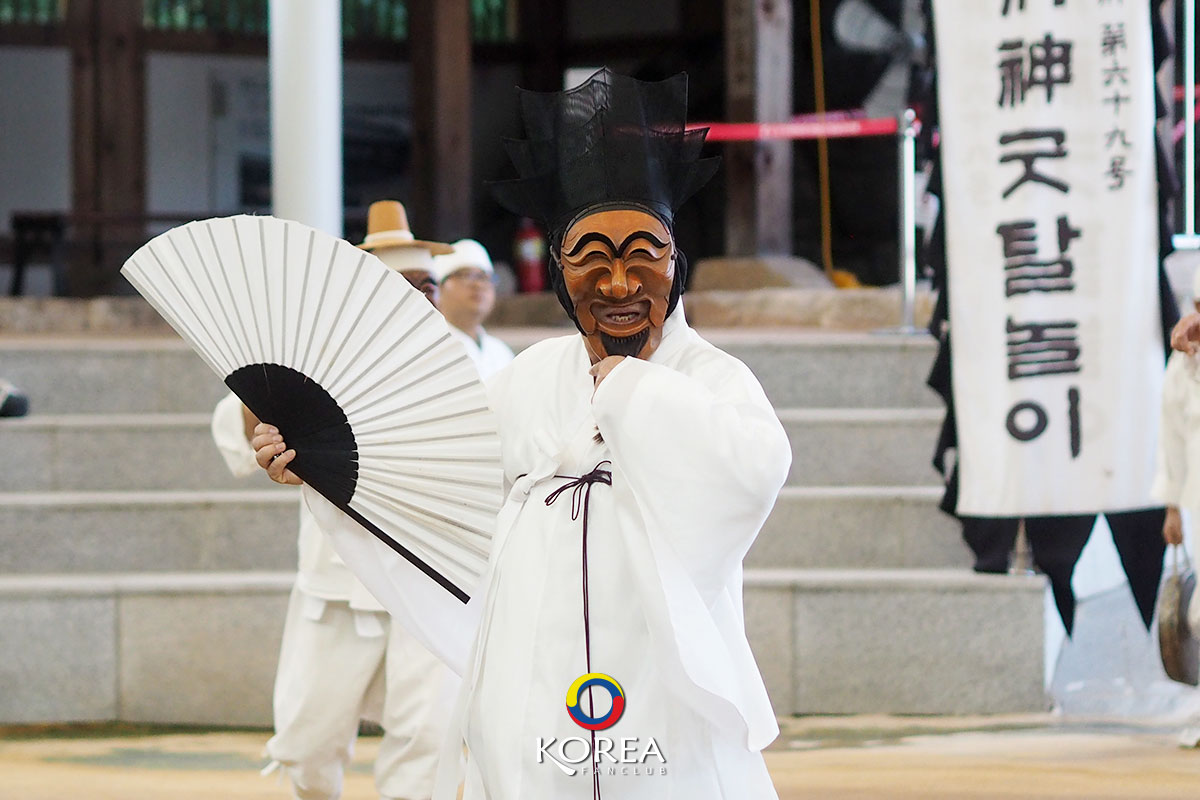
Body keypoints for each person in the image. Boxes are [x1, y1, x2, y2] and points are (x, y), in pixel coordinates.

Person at [253, 70, 792, 799]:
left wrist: (636, 392)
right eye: (591, 260)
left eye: (643, 255)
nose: (619, 284)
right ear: (561, 276)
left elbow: (753, 472)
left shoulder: (712, 378)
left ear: (677, 263)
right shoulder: (531, 376)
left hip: (661, 672)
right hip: (533, 664)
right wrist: (315, 453)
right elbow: (439, 471)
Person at [213, 200, 458, 800]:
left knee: (426, 746)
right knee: (307, 745)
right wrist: (266, 404)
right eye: (400, 286)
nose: (417, 299)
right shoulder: (313, 365)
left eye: (427, 286)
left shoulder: (464, 366)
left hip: (429, 583)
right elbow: (245, 430)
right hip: (336, 581)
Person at [1153, 265, 1200, 749]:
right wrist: (1171, 509)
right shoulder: (1182, 365)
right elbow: (1171, 441)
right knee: (1199, 616)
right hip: (1197, 498)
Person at [431, 239, 514, 377]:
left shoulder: (500, 352)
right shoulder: (431, 350)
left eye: (484, 277)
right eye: (467, 275)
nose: (478, 285)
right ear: (438, 288)